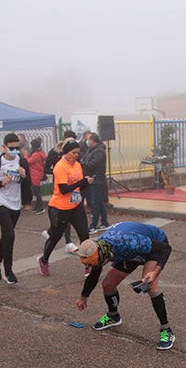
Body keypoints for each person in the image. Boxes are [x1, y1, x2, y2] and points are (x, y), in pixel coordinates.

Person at [76, 221, 175, 350]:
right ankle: (113, 316)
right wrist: (83, 296)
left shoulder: (128, 242)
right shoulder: (98, 248)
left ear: (103, 255)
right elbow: (94, 273)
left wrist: (155, 271)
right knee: (108, 284)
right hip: (128, 251)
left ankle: (166, 330)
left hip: (154, 245)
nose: (91, 267)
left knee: (150, 286)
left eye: (92, 263)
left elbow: (165, 248)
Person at [38, 140, 92, 275]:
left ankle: (88, 265)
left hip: (76, 205)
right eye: (73, 153)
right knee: (55, 237)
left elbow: (79, 186)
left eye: (78, 153)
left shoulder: (78, 165)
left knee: (84, 235)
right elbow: (63, 189)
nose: (76, 156)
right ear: (66, 153)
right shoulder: (60, 166)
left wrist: (86, 182)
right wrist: (81, 181)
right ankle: (44, 259)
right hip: (60, 208)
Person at [0, 133, 32, 284]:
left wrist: (24, 175)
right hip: (1, 201)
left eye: (17, 148)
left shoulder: (22, 161)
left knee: (7, 236)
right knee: (10, 235)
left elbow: (28, 183)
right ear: (4, 147)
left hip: (15, 202)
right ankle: (9, 270)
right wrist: (1, 183)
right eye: (11, 148)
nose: (14, 150)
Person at [83, 132, 109, 231]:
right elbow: (85, 160)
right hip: (91, 179)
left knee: (95, 202)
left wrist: (83, 163)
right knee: (99, 201)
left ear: (93, 140)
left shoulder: (99, 151)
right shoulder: (91, 150)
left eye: (89, 139)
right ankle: (105, 222)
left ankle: (94, 225)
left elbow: (91, 164)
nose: (87, 141)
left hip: (97, 180)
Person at [27, 137, 47, 214]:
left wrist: (25, 155)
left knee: (37, 192)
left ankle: (40, 207)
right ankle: (37, 207)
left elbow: (28, 162)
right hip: (38, 173)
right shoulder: (41, 153)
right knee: (37, 191)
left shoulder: (35, 155)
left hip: (35, 174)